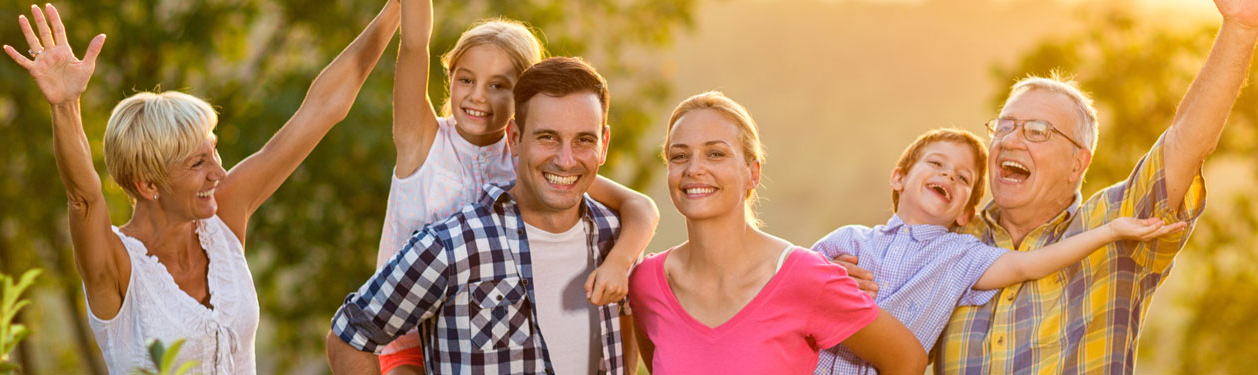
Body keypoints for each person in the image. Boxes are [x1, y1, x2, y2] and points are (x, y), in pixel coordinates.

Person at [1, 2, 401, 373]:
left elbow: (320, 111)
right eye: (198, 163)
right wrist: (65, 105)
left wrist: (400, 8)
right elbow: (83, 198)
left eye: (214, 152)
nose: (219, 173)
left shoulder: (223, 217)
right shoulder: (116, 264)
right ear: (148, 184)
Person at [891, 0, 1258, 373]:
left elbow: (1185, 143)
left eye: (1037, 131)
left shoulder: (1113, 229)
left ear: (1078, 162)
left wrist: (1240, 29)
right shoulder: (951, 241)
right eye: (1005, 126)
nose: (1010, 140)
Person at [373, 1, 661, 372]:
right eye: (466, 79)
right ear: (450, 80)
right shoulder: (422, 142)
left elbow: (639, 207)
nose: (478, 96)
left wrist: (620, 263)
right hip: (406, 337)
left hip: (483, 331)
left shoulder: (529, 162)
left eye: (498, 86)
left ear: (522, 100)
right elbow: (414, 45)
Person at [327, 57, 635, 375]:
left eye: (584, 140)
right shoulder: (453, 246)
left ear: (604, 143)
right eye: (548, 137)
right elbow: (350, 336)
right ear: (514, 138)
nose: (566, 160)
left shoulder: (615, 239)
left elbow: (626, 335)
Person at [811, 128, 1186, 375]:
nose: (947, 177)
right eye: (937, 164)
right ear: (899, 177)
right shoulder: (849, 240)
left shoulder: (963, 255)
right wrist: (825, 280)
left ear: (965, 213)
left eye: (963, 178)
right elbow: (788, 286)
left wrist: (1109, 231)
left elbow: (1028, 264)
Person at [626, 92, 926, 375]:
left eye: (715, 154)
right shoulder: (647, 282)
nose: (694, 168)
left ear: (753, 173)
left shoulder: (806, 276)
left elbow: (907, 360)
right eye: (679, 156)